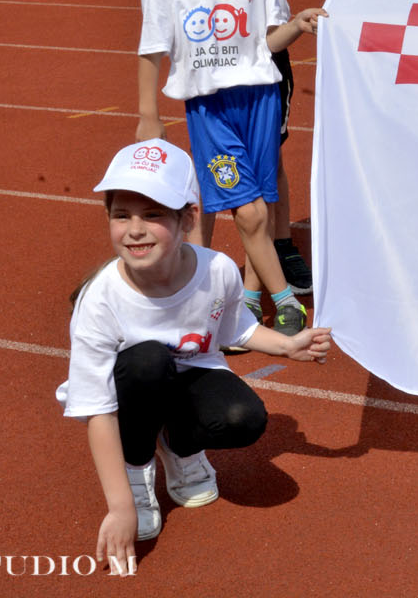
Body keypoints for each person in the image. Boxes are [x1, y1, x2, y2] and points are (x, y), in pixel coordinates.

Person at [59, 137, 331, 560]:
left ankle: (180, 446)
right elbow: (96, 407)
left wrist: (287, 346)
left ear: (188, 218)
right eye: (121, 215)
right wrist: (120, 506)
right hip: (133, 391)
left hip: (190, 376)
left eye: (152, 215)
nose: (134, 229)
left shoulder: (217, 270)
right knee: (146, 360)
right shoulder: (101, 299)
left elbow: (235, 330)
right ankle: (138, 468)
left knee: (244, 419)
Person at [138, 0, 323, 336]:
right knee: (249, 209)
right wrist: (148, 114)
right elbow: (152, 47)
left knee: (257, 206)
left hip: (260, 98)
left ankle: (247, 299)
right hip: (210, 107)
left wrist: (300, 25)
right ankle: (285, 301)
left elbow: (268, 40)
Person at [163, 0, 351, 286]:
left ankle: (280, 246)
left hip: (268, 57)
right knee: (215, 160)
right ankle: (199, 262)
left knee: (270, 157)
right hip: (212, 58)